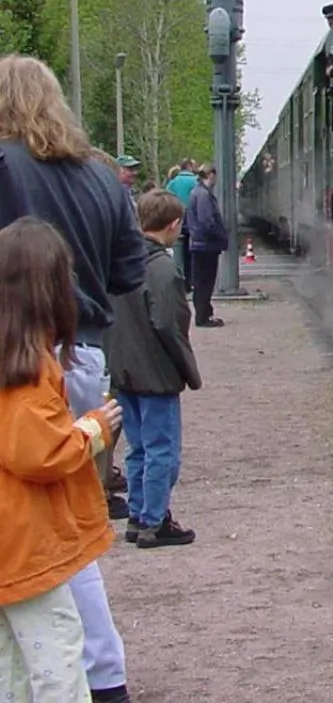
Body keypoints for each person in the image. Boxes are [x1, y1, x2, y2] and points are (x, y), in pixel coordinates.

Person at [0, 55, 140, 703]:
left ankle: (59, 676)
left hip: (18, 358)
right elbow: (129, 273)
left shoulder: (4, 167)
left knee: (30, 529)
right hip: (83, 355)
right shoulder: (104, 178)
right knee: (69, 525)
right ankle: (101, 672)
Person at [0, 216, 125, 703]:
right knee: (59, 654)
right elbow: (41, 456)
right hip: (25, 544)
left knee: (11, 660)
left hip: (11, 544)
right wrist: (94, 428)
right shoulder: (28, 371)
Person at [108, 190, 201, 549]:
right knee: (163, 449)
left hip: (125, 369)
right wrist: (187, 368)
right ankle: (154, 520)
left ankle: (136, 514)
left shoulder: (121, 261)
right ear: (174, 224)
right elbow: (168, 323)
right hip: (155, 372)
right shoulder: (162, 268)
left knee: (137, 448)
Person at [184, 163, 229, 327]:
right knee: (205, 282)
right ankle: (203, 317)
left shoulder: (198, 192)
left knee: (202, 282)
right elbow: (206, 221)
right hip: (205, 245)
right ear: (211, 175)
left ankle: (204, 314)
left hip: (200, 244)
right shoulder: (203, 195)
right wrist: (220, 235)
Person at [165, 160, 200, 290]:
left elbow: (166, 198)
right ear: (190, 167)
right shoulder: (196, 182)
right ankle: (191, 281)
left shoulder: (172, 183)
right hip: (192, 221)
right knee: (192, 253)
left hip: (176, 220)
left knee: (178, 253)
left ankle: (181, 282)